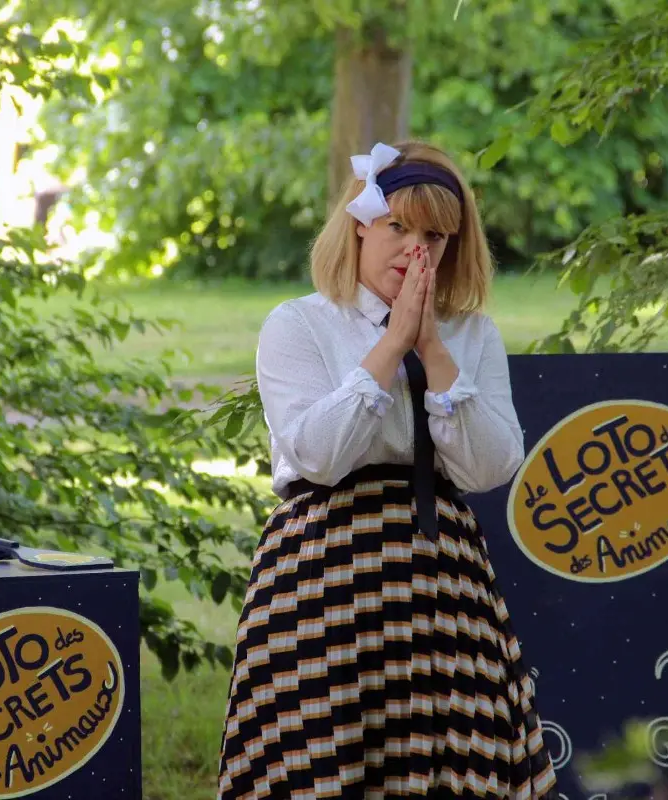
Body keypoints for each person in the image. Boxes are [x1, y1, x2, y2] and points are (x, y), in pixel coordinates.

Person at [216, 140, 556, 799]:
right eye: (398, 227)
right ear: (360, 225)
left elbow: (490, 464)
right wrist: (392, 344)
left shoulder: (472, 334)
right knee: (321, 757)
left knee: (451, 761)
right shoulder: (299, 324)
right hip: (320, 571)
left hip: (441, 577)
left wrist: (430, 345)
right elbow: (317, 453)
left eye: (433, 234)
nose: (413, 248)